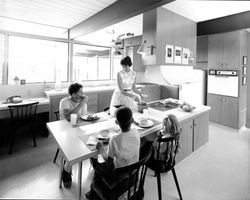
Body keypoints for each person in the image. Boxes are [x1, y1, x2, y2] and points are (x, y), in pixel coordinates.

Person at [85, 106, 140, 199]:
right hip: (133, 169)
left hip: (118, 173)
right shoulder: (136, 132)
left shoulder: (114, 139)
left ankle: (94, 194)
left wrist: (101, 149)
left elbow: (109, 163)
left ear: (117, 122)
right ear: (132, 120)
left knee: (96, 164)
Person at [59, 83, 89, 188]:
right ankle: (66, 170)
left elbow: (83, 117)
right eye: (80, 92)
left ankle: (96, 164)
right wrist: (82, 104)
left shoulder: (83, 102)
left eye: (82, 91)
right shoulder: (64, 102)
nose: (82, 93)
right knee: (73, 148)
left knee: (95, 142)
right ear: (73, 94)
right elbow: (67, 117)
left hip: (80, 129)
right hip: (66, 132)